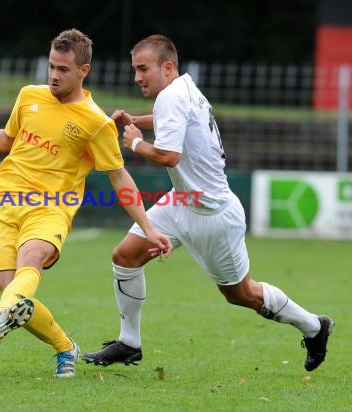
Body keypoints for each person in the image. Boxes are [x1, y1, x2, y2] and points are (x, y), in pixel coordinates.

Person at [0, 28, 172, 378]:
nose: (54, 75)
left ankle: (7, 308)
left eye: (63, 70)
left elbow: (118, 176)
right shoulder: (29, 96)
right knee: (11, 291)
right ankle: (64, 347)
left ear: (83, 71)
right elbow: (7, 138)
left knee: (30, 263)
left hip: (51, 209)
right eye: (51, 67)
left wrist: (148, 226)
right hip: (3, 202)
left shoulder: (95, 122)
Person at [82, 34, 334, 372]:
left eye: (143, 69)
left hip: (212, 214)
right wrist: (136, 121)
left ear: (167, 67)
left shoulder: (172, 96)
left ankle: (314, 327)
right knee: (125, 256)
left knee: (241, 294)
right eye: (135, 70)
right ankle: (129, 343)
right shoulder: (182, 88)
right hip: (181, 203)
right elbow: (176, 123)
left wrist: (136, 142)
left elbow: (170, 156)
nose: (137, 77)